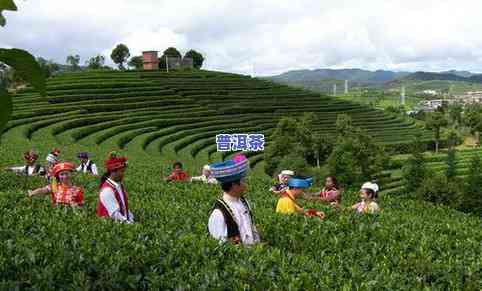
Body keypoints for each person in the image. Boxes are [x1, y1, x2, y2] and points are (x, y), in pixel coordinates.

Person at [208, 154, 260, 245]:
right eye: (243, 181)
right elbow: (221, 246)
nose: (246, 184)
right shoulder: (218, 213)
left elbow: (251, 229)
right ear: (234, 185)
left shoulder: (244, 202)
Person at [96, 152, 134, 223]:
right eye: (122, 171)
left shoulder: (119, 185)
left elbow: (124, 207)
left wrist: (131, 218)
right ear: (113, 172)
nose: (123, 174)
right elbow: (115, 214)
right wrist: (129, 224)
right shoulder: (107, 190)